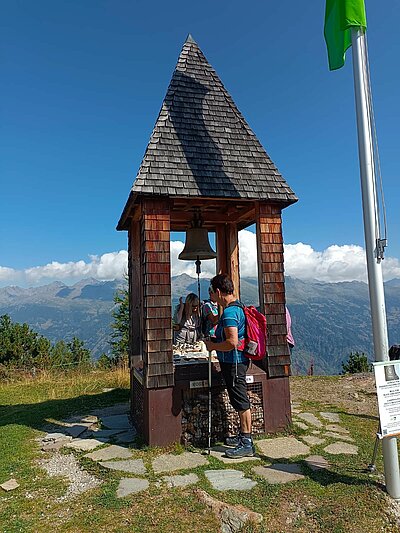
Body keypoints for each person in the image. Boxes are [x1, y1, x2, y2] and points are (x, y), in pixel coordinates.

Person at [204, 274, 255, 458]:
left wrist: (212, 346)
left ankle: (247, 442)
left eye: (212, 291)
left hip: (233, 361)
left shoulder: (230, 313)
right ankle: (243, 436)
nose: (212, 295)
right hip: (237, 361)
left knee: (240, 401)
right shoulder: (238, 306)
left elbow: (232, 342)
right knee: (238, 399)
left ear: (218, 291)